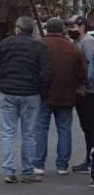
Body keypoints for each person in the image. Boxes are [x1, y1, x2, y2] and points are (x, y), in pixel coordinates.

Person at [0, 16, 52, 183]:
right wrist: (41, 91)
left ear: (17, 29)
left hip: (8, 92)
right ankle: (28, 171)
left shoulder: (5, 44)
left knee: (8, 132)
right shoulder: (39, 47)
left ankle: (9, 170)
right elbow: (46, 73)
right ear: (31, 30)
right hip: (31, 94)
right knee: (29, 133)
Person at [32, 17, 87, 175]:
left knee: (41, 129)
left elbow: (34, 68)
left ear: (48, 29)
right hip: (66, 95)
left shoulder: (39, 45)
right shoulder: (72, 48)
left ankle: (39, 164)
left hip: (44, 94)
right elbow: (82, 72)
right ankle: (62, 165)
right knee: (64, 129)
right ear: (62, 30)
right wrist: (79, 86)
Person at [68, 14, 94, 174]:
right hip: (82, 91)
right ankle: (88, 159)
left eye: (73, 27)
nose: (70, 30)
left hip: (89, 93)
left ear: (82, 27)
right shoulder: (77, 43)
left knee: (90, 127)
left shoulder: (87, 43)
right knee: (87, 127)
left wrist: (85, 85)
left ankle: (90, 162)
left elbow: (91, 66)